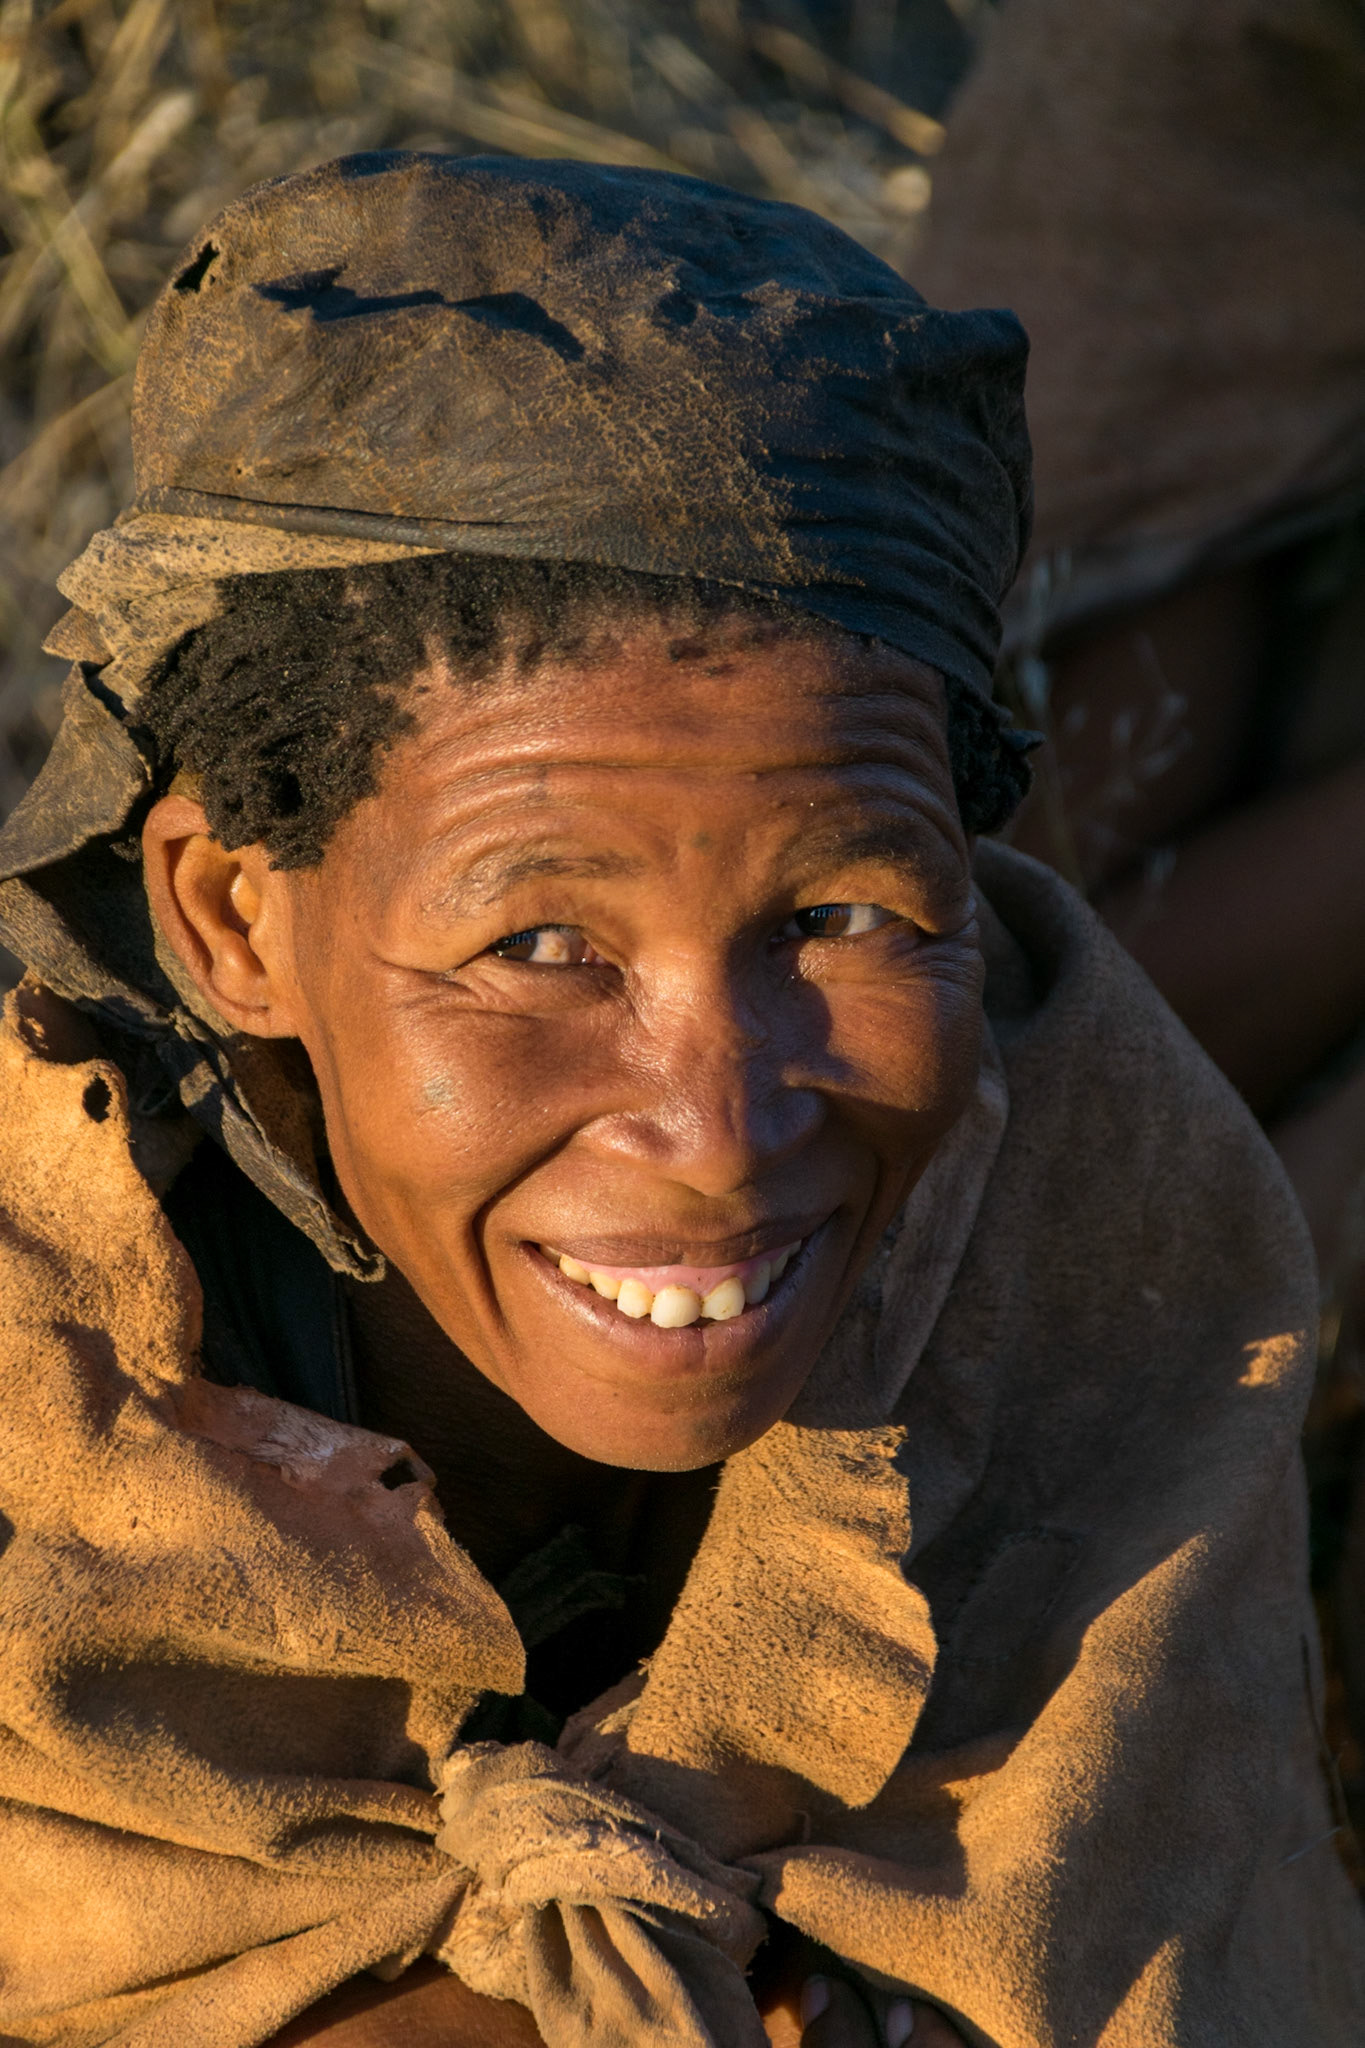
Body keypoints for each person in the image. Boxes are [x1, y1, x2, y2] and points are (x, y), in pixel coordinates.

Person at [0, 152, 1359, 2048]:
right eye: (542, 944)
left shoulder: (1110, 1233)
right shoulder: (42, 1411)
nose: (719, 1129)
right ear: (235, 916)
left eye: (842, 915)